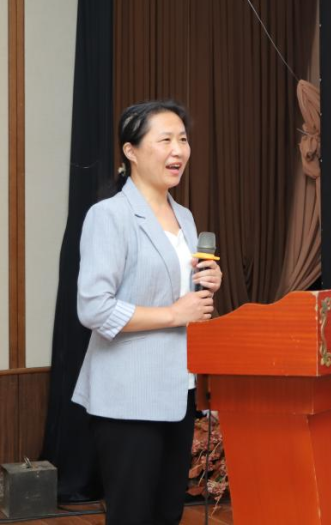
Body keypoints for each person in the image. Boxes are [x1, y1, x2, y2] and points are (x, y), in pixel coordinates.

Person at [72, 100, 223, 525]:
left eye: (183, 139)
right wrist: (175, 313)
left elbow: (179, 293)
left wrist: (206, 283)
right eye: (165, 140)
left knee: (167, 513)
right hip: (128, 396)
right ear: (131, 151)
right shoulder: (110, 216)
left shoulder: (185, 217)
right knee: (132, 515)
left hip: (179, 389)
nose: (178, 150)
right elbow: (94, 308)